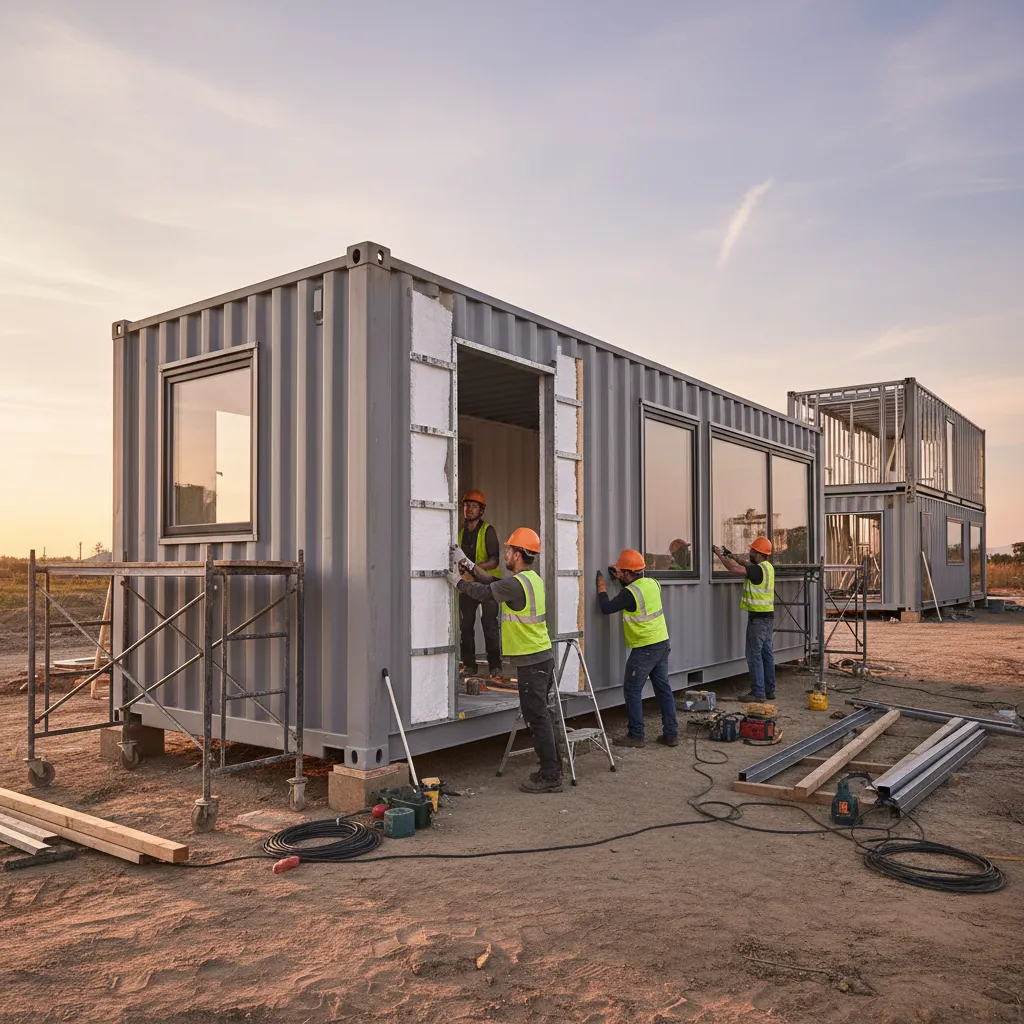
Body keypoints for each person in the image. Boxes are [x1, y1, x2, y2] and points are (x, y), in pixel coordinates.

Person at [449, 528, 563, 793]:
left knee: (537, 718)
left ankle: (550, 775)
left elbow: (487, 592)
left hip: (532, 662)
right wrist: (467, 564)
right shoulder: (529, 579)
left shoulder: (516, 584)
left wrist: (458, 583)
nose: (506, 554)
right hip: (540, 658)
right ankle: (554, 768)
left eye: (509, 550)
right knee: (543, 715)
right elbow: (492, 582)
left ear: (519, 554)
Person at [595, 548, 678, 748]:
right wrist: (621, 580)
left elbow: (606, 608)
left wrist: (601, 588)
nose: (619, 573)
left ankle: (636, 734)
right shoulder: (653, 583)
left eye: (621, 571)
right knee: (663, 688)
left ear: (628, 573)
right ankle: (671, 734)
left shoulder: (629, 593)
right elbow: (636, 595)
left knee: (632, 689)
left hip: (645, 647)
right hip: (662, 643)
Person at [713, 536, 776, 701]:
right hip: (767, 618)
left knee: (753, 654)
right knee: (766, 654)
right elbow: (744, 563)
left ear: (757, 552)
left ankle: (758, 693)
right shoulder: (767, 567)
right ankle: (769, 690)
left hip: (758, 620)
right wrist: (733, 555)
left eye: (751, 550)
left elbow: (734, 569)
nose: (749, 553)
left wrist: (720, 555)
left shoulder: (757, 570)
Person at [456, 489, 503, 687]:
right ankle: (469, 665)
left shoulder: (487, 530)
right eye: (466, 505)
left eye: (473, 506)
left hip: (488, 584)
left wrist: (474, 569)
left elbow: (494, 561)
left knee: (489, 624)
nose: (468, 509)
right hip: (468, 584)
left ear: (481, 510)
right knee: (466, 626)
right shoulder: (460, 532)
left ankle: (495, 667)